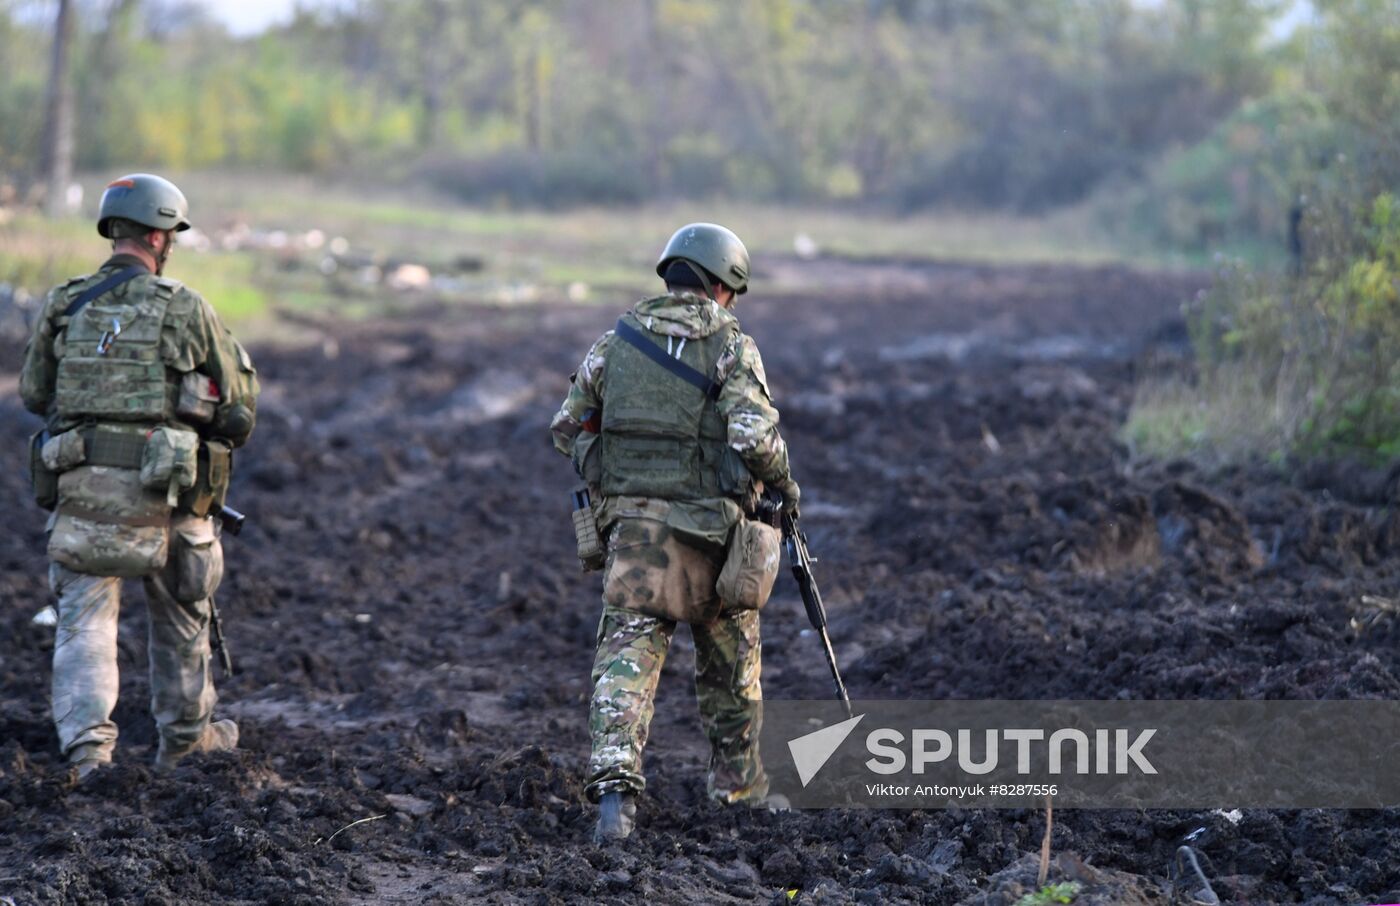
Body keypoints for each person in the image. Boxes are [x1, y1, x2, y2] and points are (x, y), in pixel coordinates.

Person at [550, 223, 800, 842]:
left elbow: (567, 427)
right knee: (732, 667)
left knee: (626, 660)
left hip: (636, 538)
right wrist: (785, 486)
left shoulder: (617, 342)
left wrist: (615, 479)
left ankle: (615, 799)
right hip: (714, 535)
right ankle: (739, 793)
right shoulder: (732, 346)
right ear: (722, 285)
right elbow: (753, 438)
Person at [20, 174, 259, 778]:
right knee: (183, 617)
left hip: (83, 493)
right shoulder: (186, 306)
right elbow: (238, 408)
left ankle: (88, 753)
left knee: (84, 624)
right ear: (159, 237)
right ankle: (184, 742)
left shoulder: (65, 303)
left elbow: (34, 394)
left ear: (115, 231)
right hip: (169, 494)